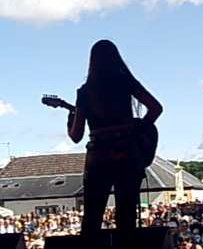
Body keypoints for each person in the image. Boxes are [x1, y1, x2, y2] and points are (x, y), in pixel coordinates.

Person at [66, 39, 163, 249]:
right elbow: (156, 108)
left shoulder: (84, 91)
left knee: (92, 216)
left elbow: (76, 135)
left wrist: (69, 121)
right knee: (127, 216)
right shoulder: (125, 82)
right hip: (128, 153)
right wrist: (139, 127)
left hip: (98, 157)